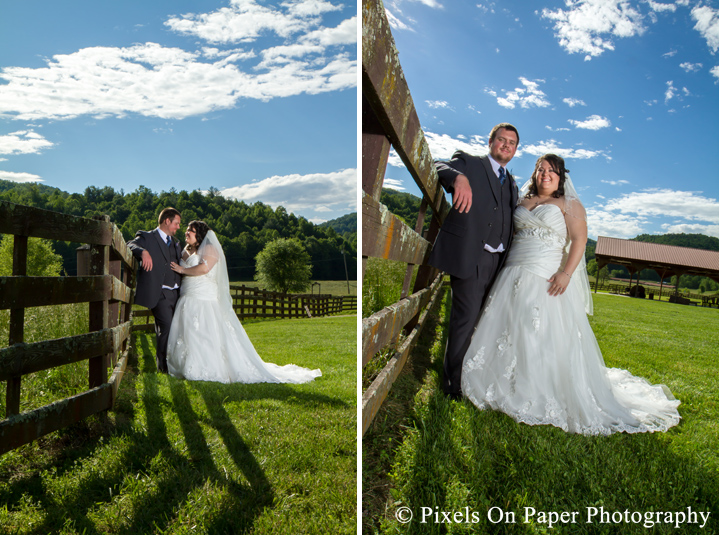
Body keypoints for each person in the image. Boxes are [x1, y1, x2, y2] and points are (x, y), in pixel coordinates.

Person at [460, 154, 681, 434]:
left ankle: (537, 387)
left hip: (547, 277)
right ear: (535, 173)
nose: (545, 175)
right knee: (506, 328)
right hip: (512, 273)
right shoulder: (521, 201)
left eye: (552, 171)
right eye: (541, 169)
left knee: (537, 331)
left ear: (561, 176)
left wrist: (565, 273)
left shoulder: (570, 205)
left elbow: (578, 239)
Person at [166, 220, 321, 384]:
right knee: (188, 333)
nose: (186, 233)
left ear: (200, 234)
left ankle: (203, 368)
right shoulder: (186, 250)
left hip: (204, 300)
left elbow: (205, 269)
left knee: (203, 335)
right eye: (187, 230)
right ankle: (185, 366)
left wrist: (182, 269)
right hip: (187, 298)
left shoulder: (210, 249)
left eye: (190, 230)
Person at [428, 123, 520, 400]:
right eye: (501, 140)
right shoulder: (469, 163)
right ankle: (451, 385)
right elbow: (438, 164)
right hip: (471, 254)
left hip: (499, 263)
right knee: (465, 319)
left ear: (516, 149)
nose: (506, 145)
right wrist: (459, 179)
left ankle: (472, 375)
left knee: (485, 321)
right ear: (491, 141)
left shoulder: (513, 184)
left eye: (512, 142)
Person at [128, 207, 183, 373]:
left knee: (172, 329)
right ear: (167, 221)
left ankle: (172, 362)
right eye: (176, 223)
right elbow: (130, 244)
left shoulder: (176, 242)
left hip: (176, 293)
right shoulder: (147, 236)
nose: (178, 227)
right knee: (167, 326)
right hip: (158, 293)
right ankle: (163, 368)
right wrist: (143, 252)